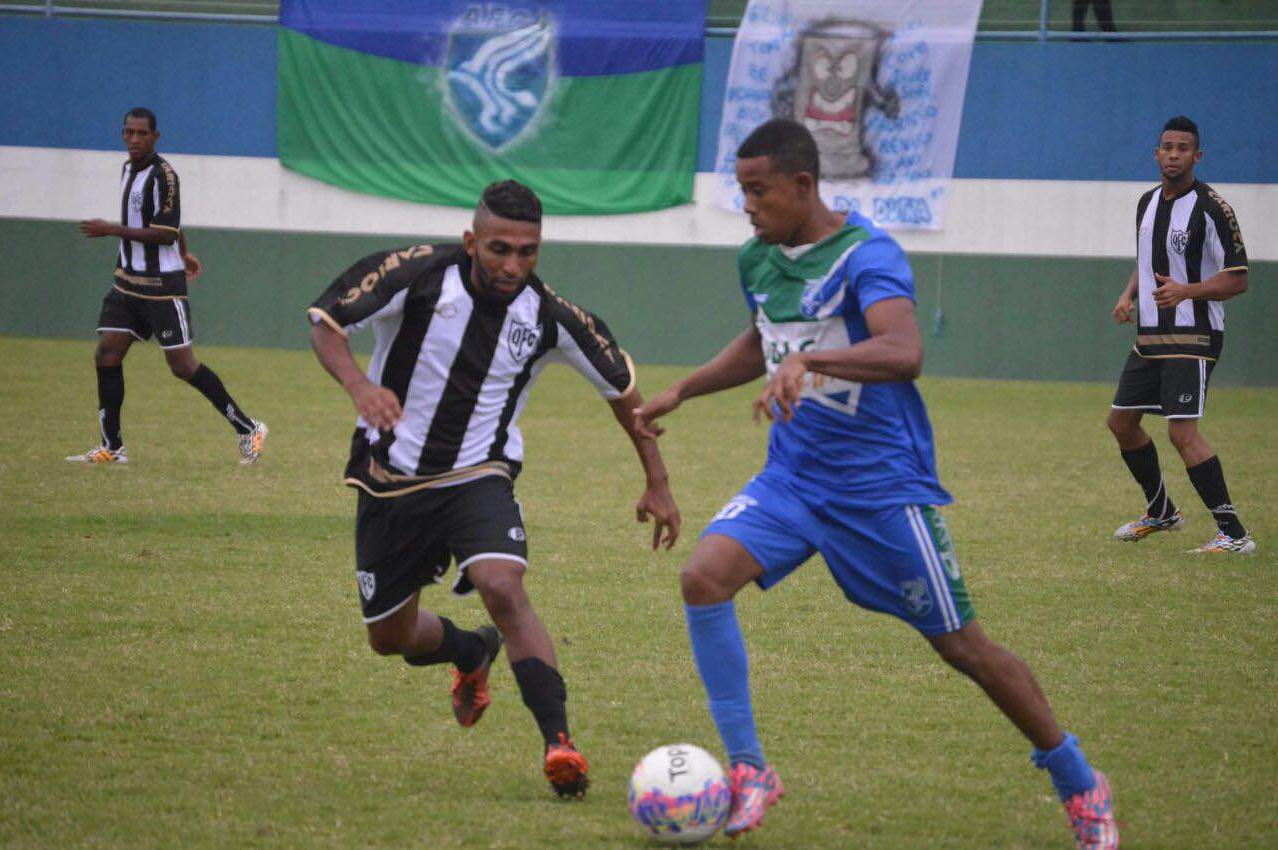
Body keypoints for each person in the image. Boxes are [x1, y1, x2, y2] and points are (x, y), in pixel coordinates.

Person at [634, 119, 1118, 848]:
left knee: (964, 649)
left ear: (803, 185)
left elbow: (904, 349)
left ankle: (1079, 781)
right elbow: (765, 340)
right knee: (704, 578)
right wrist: (685, 389)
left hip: (878, 490)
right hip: (793, 481)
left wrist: (814, 365)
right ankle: (750, 772)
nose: (748, 206)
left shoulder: (869, 254)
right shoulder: (758, 259)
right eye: (741, 192)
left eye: (758, 192)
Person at [307, 180, 681, 799]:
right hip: (389, 479)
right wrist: (359, 388)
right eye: (499, 249)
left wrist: (658, 481)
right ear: (470, 241)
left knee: (503, 586)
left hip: (479, 474)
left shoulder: (550, 317)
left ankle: (560, 743)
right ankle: (469, 652)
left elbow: (625, 398)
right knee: (390, 638)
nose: (513, 265)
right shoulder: (418, 274)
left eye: (527, 252)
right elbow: (325, 322)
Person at [68, 107, 267, 466]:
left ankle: (248, 428)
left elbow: (164, 231)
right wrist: (188, 253)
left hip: (162, 288)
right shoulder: (128, 169)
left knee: (183, 366)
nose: (133, 139)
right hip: (127, 284)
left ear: (155, 137)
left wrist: (113, 230)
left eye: (141, 133)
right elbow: (168, 224)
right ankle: (112, 447)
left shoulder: (165, 175)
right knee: (107, 354)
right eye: (128, 132)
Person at [1107, 116, 1254, 554]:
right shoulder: (1146, 202)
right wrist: (1129, 292)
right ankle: (1162, 511)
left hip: (1194, 335)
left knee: (1181, 433)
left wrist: (1188, 290)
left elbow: (1239, 278)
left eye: (1183, 148)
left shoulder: (1213, 207)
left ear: (1197, 156)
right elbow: (1147, 256)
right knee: (1121, 422)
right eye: (1167, 147)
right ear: (1156, 153)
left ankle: (1233, 534)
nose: (1174, 154)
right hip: (1151, 335)